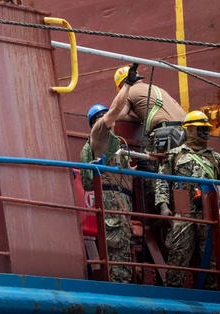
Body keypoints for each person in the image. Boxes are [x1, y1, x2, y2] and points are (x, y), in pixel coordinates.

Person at [154, 110, 220, 288]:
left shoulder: (218, 159)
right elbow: (162, 181)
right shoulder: (174, 155)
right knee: (178, 252)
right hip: (183, 210)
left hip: (211, 213)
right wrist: (163, 205)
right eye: (202, 128)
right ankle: (173, 292)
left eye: (207, 128)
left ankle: (214, 294)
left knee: (214, 256)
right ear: (190, 129)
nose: (207, 132)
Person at [79, 79, 134, 283]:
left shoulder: (113, 143)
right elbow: (117, 108)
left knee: (123, 251)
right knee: (116, 252)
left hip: (122, 202)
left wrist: (140, 168)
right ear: (96, 121)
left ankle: (123, 287)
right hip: (113, 202)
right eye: (102, 117)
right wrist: (127, 86)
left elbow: (122, 173)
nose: (107, 119)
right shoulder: (99, 132)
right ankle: (119, 290)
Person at [113, 63, 187, 205]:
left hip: (165, 133)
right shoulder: (159, 89)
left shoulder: (129, 91)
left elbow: (119, 115)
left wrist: (138, 119)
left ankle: (164, 209)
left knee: (148, 170)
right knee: (181, 174)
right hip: (185, 133)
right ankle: (184, 208)